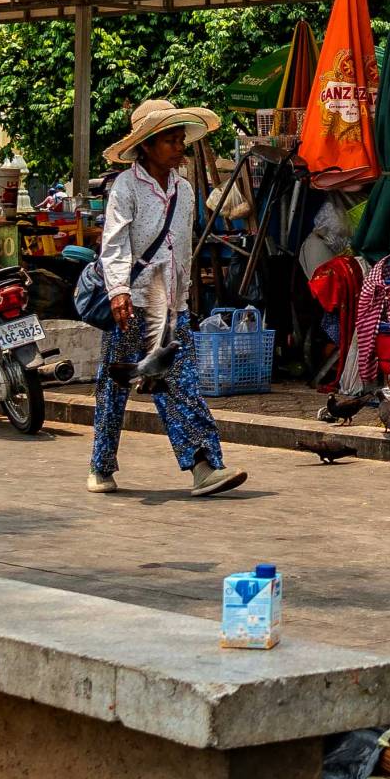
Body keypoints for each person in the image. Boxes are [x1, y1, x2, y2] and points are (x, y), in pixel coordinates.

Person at [88, 99, 246, 499]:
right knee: (114, 386)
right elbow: (114, 244)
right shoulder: (126, 187)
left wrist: (184, 299)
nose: (178, 148)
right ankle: (101, 465)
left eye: (180, 141)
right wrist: (119, 291)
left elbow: (184, 249)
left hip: (171, 309)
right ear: (147, 145)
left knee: (182, 386)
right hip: (132, 303)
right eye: (170, 141)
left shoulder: (184, 189)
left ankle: (204, 467)